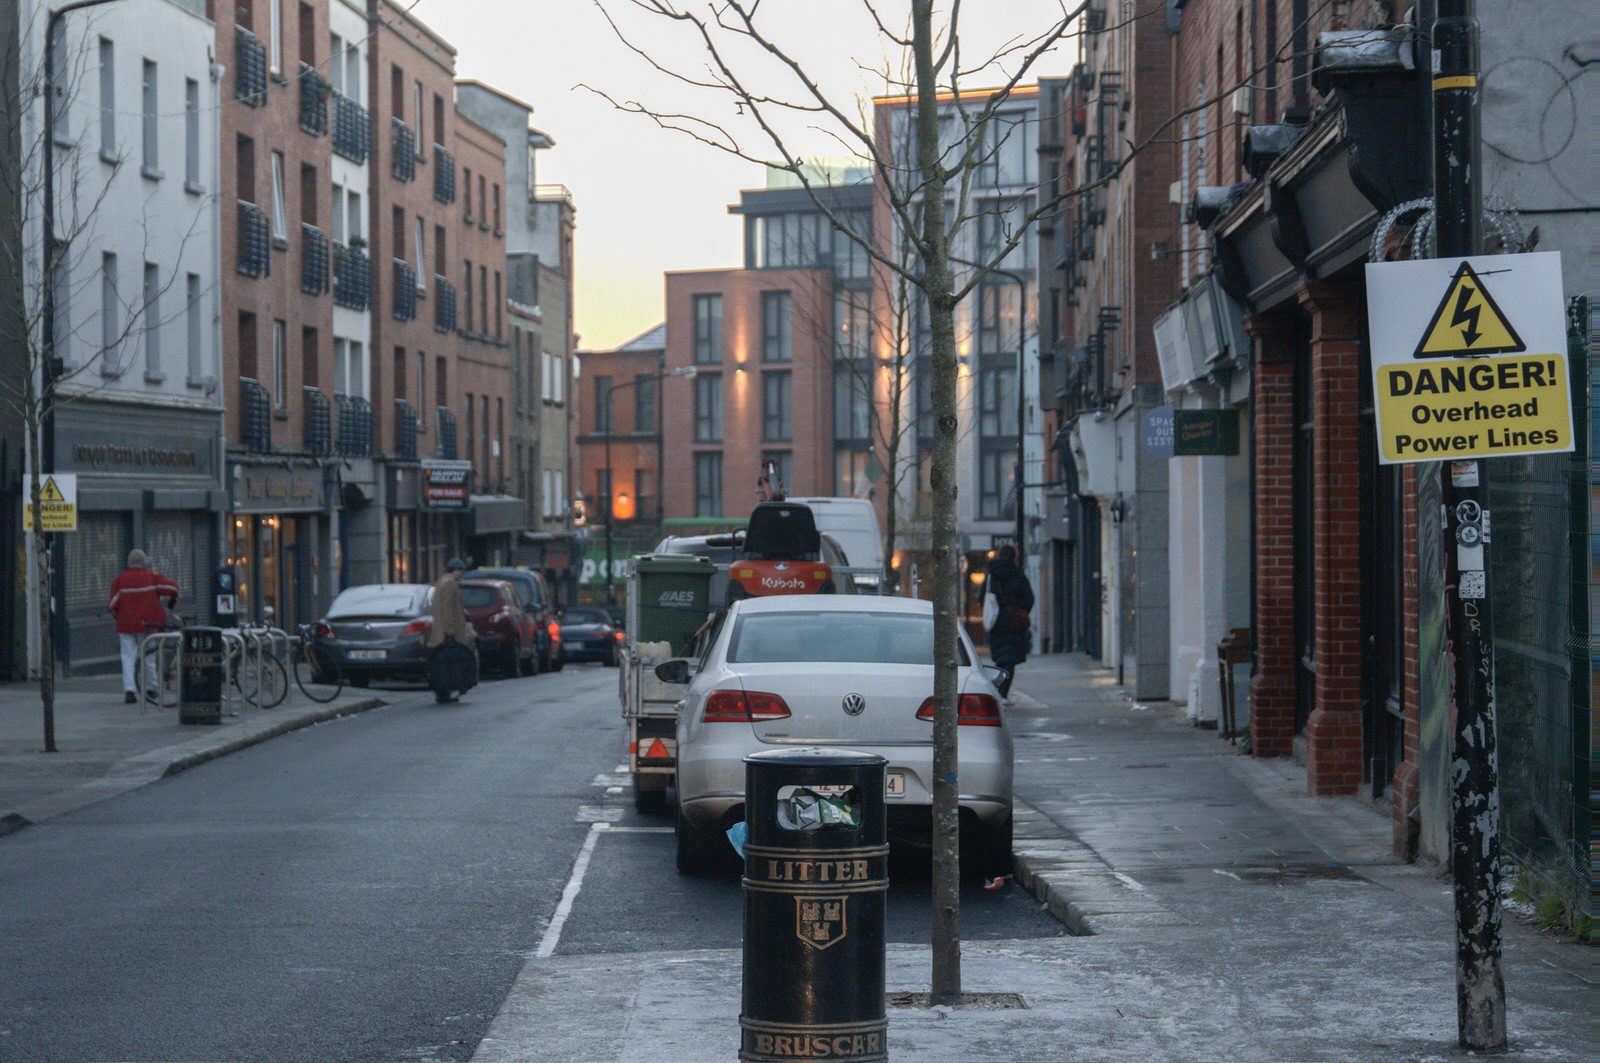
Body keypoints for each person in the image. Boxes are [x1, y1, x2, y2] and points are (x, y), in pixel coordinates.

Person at [108, 549, 180, 704]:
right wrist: (171, 603)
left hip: (126, 624)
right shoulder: (152, 578)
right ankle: (151, 689)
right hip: (148, 624)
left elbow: (112, 604)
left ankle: (130, 691)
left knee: (127, 657)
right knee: (149, 656)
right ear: (144, 562)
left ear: (128, 563)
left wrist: (118, 617)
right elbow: (173, 588)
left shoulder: (120, 581)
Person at [983, 544, 1034, 699]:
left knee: (1000, 657)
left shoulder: (991, 576)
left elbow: (982, 598)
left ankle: (999, 690)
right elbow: (1029, 599)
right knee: (1010, 658)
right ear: (1014, 557)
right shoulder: (1019, 575)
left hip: (996, 622)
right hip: (1014, 623)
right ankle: (1003, 693)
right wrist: (1020, 611)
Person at [426, 557, 474, 703]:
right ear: (456, 570)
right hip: (446, 632)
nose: (461, 575)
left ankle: (444, 691)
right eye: (460, 571)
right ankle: (446, 690)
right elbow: (447, 608)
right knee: (450, 663)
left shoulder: (441, 582)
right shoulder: (449, 584)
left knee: (444, 663)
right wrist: (449, 630)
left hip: (442, 631)